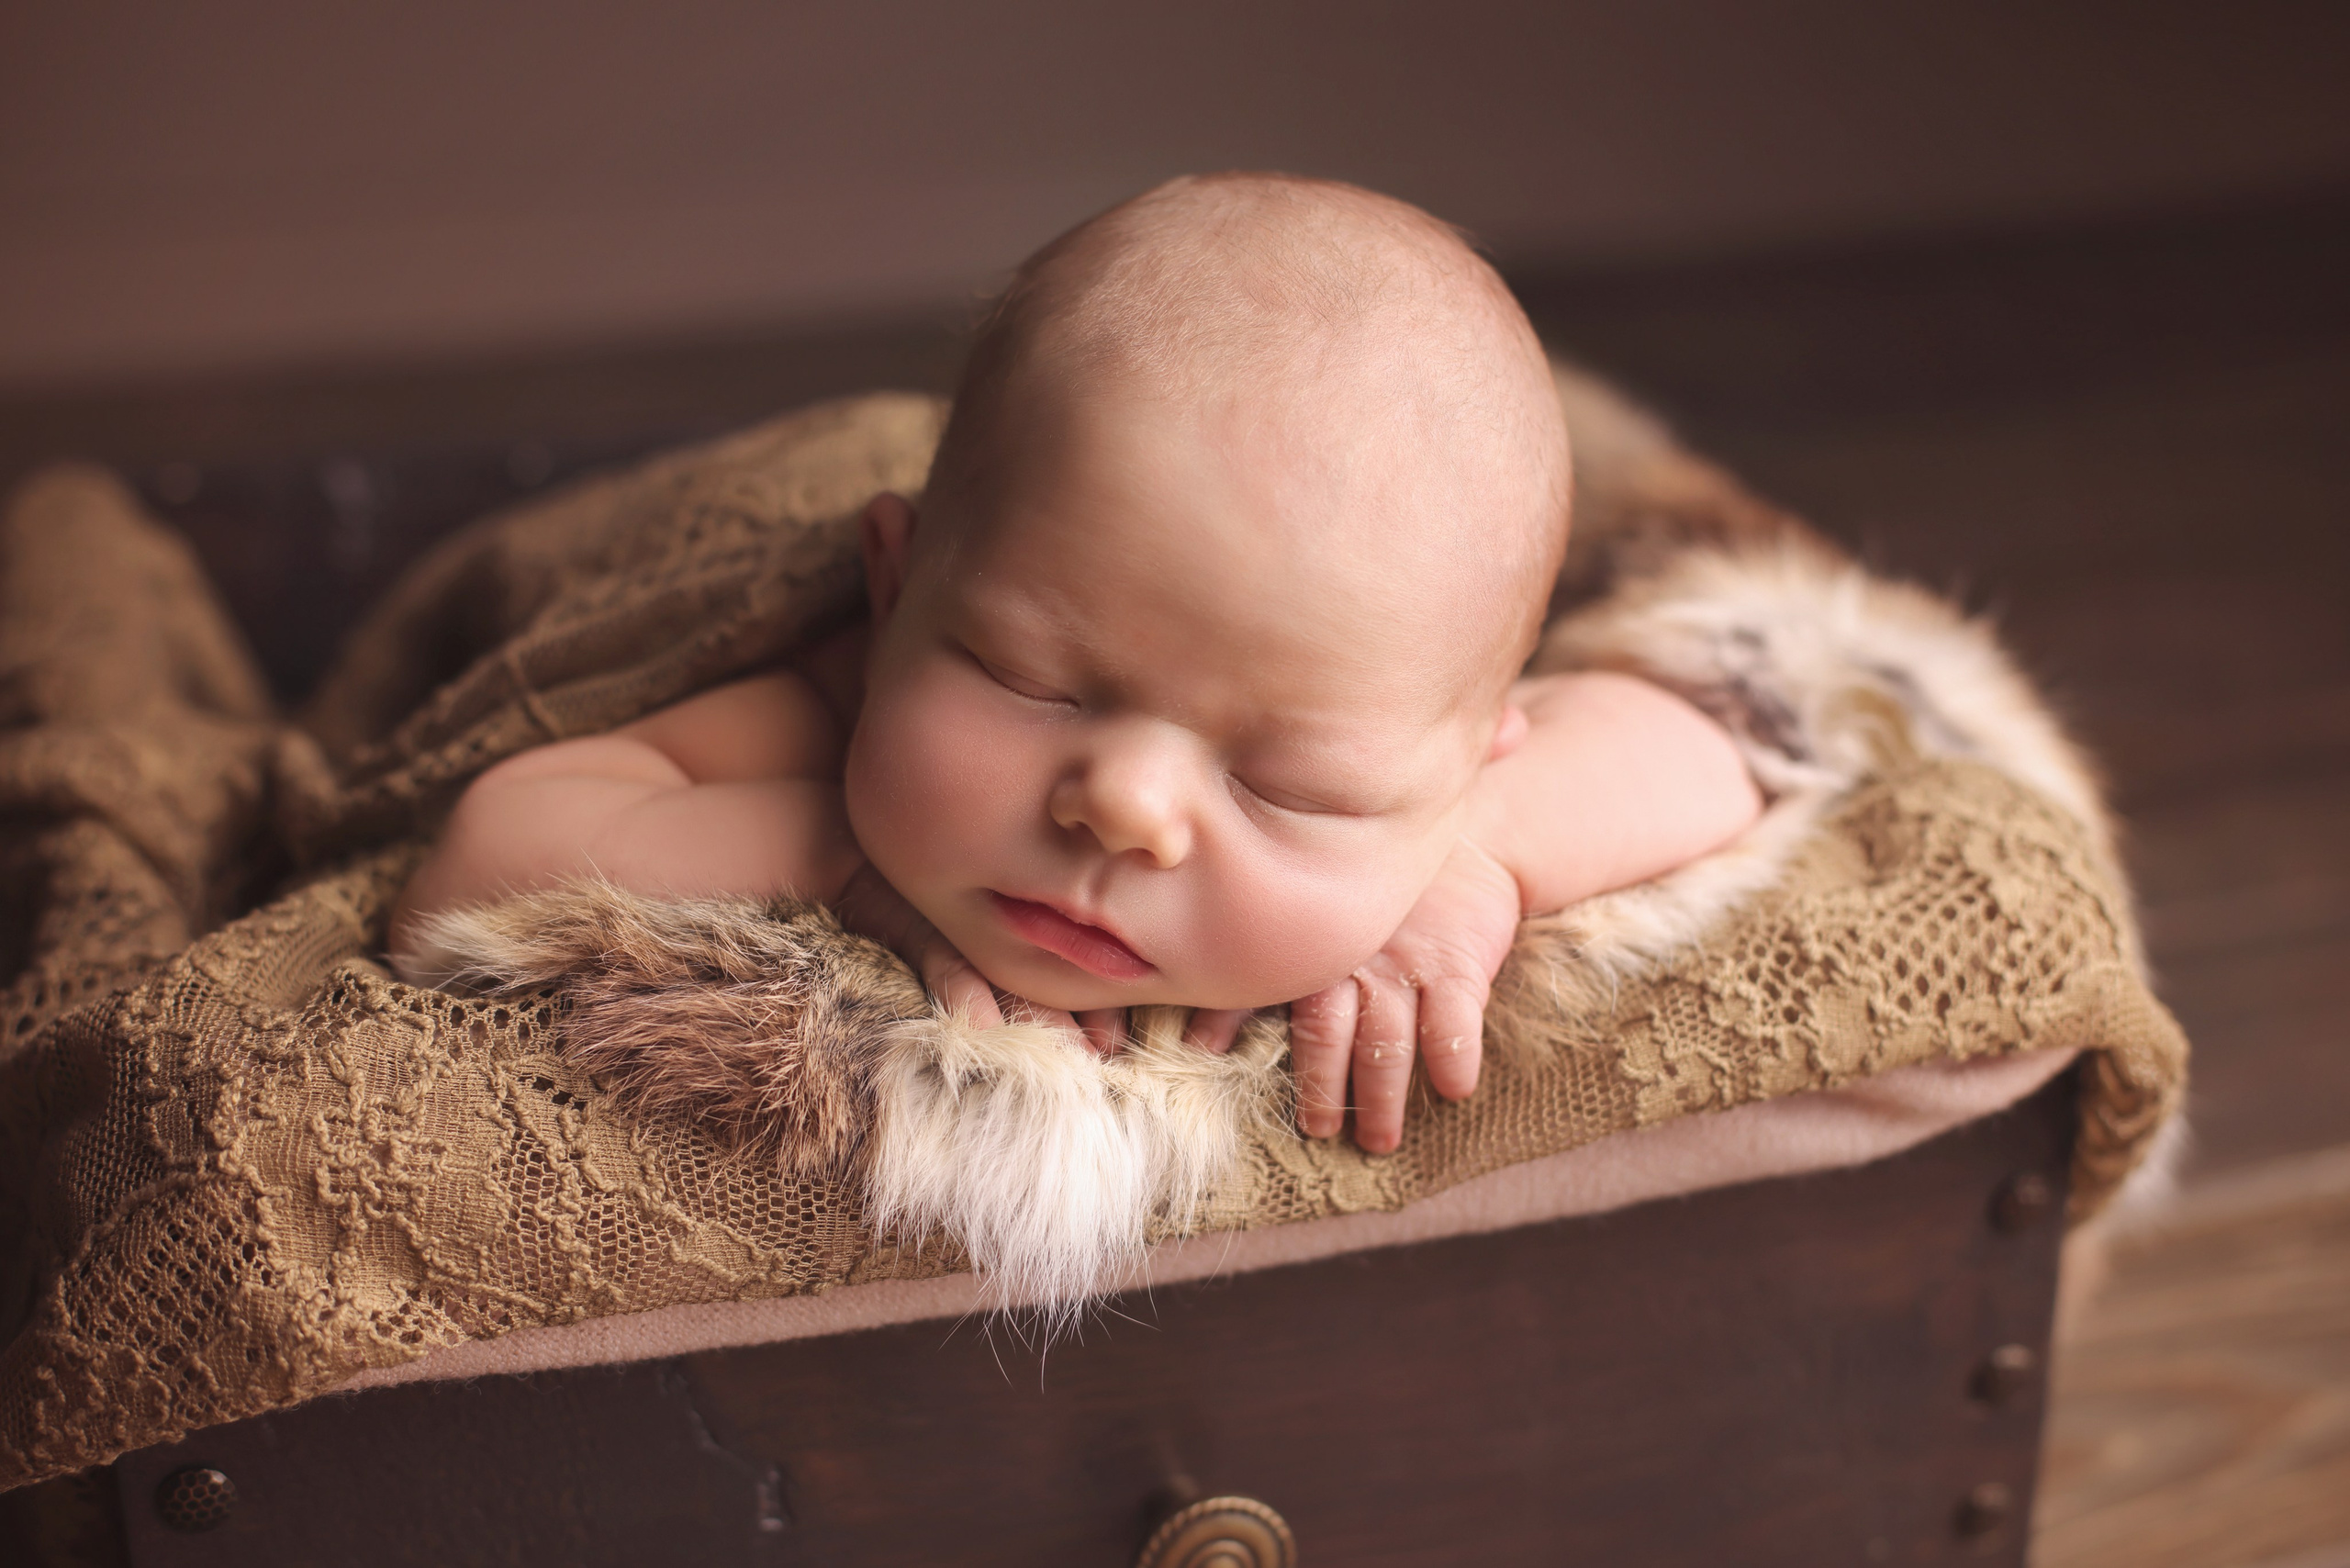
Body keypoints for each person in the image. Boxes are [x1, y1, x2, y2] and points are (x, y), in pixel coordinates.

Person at [390, 173, 1762, 1154]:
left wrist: (1472, 858)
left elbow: (1709, 749)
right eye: (1032, 680)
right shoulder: (835, 690)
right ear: (896, 587)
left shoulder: (1438, 793)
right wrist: (835, 859)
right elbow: (478, 852)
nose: (1125, 809)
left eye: (1295, 786)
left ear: (1464, 765)